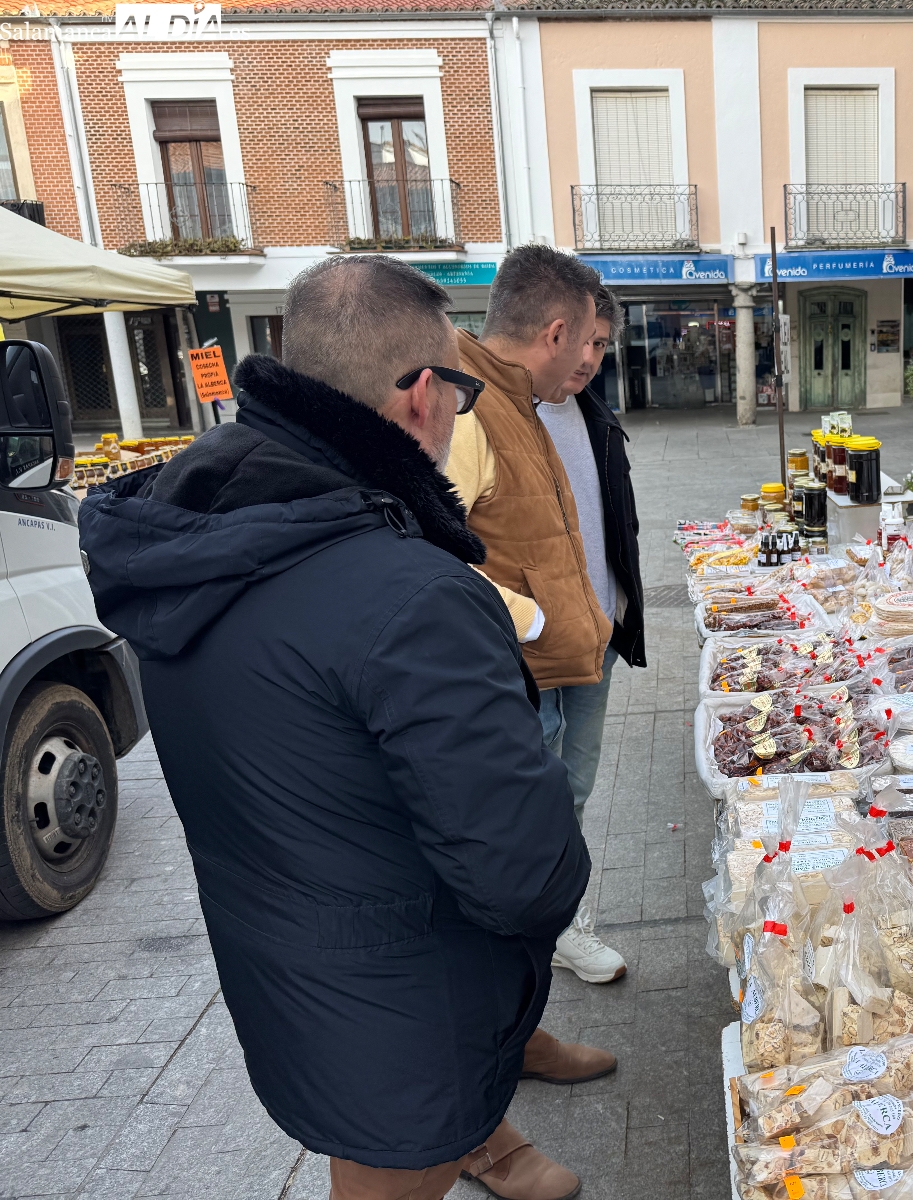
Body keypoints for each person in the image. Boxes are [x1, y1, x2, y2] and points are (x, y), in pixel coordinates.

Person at [77, 255, 593, 1200]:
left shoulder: (198, 532)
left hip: (292, 960)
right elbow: (525, 869)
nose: (461, 413)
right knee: (386, 1171)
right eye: (463, 390)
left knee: (366, 1143)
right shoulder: (414, 594)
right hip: (402, 993)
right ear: (421, 397)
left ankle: (485, 1136)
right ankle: (471, 1140)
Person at [446, 245, 630, 985]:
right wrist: (530, 620)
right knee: (529, 827)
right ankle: (526, 972)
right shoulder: (468, 412)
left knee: (565, 803)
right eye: (586, 339)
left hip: (578, 642)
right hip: (520, 665)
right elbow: (426, 556)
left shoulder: (533, 405)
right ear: (555, 333)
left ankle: (547, 946)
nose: (590, 359)